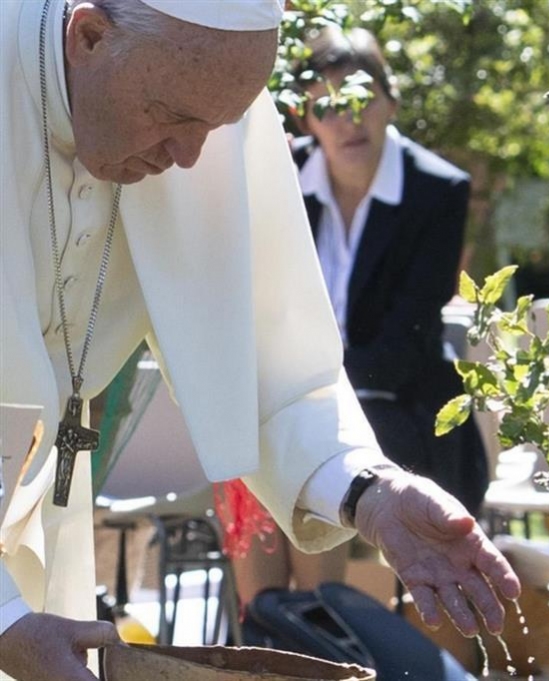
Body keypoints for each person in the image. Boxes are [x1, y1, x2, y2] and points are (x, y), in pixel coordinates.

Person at [0, 1, 519, 680]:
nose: (190, 158)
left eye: (216, 128)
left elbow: (273, 361)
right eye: (174, 117)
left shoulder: (203, 99)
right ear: (89, 36)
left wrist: (375, 491)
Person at [226, 26, 489, 613]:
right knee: (247, 453)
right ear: (304, 118)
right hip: (283, 401)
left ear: (391, 103)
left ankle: (328, 628)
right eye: (328, 106)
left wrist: (309, 400)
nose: (349, 120)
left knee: (314, 461)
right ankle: (266, 627)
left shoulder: (438, 190)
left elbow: (410, 330)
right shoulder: (276, 176)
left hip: (395, 407)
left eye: (363, 98)